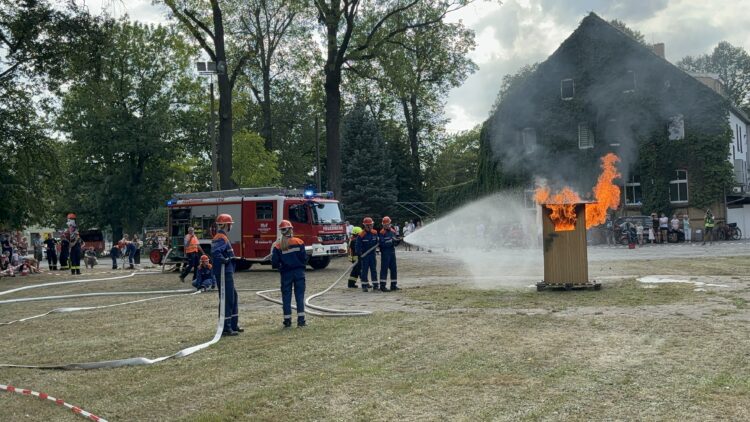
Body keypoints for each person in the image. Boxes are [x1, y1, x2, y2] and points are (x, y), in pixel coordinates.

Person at [272, 220, 307, 328]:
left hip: (286, 274)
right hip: (299, 272)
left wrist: (281, 267)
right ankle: (301, 321)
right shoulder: (299, 242)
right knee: (300, 296)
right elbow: (304, 258)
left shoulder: (277, 246)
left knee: (286, 297)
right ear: (291, 229)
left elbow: (274, 263)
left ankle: (287, 321)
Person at [212, 213, 242, 336]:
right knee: (227, 298)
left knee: (233, 296)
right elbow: (216, 252)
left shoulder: (223, 237)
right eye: (230, 224)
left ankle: (233, 324)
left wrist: (233, 258)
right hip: (224, 273)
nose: (231, 226)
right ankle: (225, 327)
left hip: (228, 271)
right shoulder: (220, 237)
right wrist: (225, 260)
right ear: (226, 225)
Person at [356, 217, 380, 292]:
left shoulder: (375, 233)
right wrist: (359, 254)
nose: (370, 226)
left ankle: (375, 286)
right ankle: (364, 286)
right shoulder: (361, 235)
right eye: (368, 225)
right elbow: (357, 246)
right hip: (364, 256)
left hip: (372, 255)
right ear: (365, 226)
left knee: (373, 270)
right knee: (364, 271)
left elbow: (377, 243)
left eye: (371, 225)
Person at [379, 216, 400, 291]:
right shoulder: (382, 233)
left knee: (394, 269)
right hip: (385, 253)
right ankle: (382, 286)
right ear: (383, 225)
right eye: (385, 225)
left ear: (390, 223)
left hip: (392, 252)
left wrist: (397, 242)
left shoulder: (393, 231)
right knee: (384, 269)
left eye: (388, 224)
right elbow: (382, 244)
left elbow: (394, 242)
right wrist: (391, 242)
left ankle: (393, 285)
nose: (387, 226)